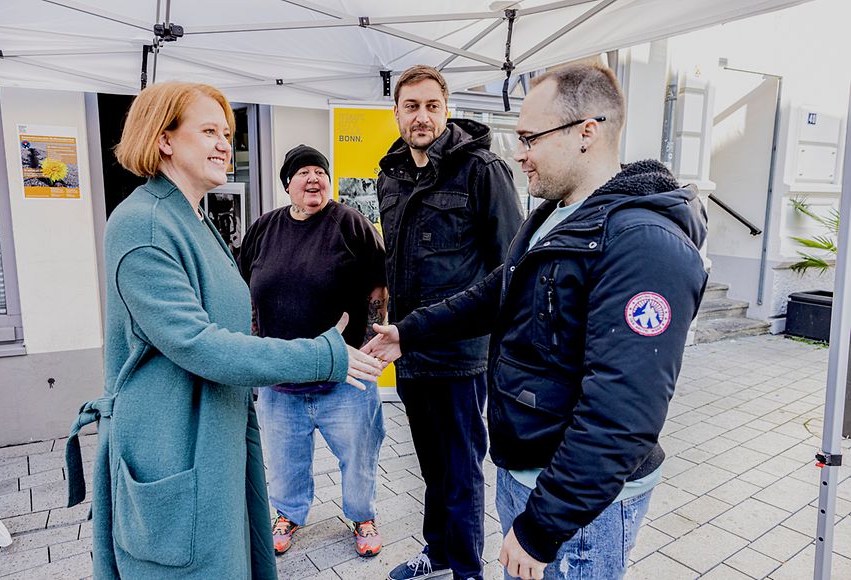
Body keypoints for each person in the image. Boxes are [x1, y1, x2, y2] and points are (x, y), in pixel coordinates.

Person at [365, 62, 708, 580]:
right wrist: (409, 332)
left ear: (586, 133)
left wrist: (543, 527)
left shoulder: (643, 245)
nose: (520, 153)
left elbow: (620, 415)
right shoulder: (552, 215)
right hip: (526, 474)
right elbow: (493, 291)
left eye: (530, 138)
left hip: (575, 509)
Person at [63, 82, 383, 579]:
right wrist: (322, 354)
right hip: (174, 444)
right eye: (208, 130)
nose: (223, 144)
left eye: (227, 132)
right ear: (163, 138)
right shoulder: (142, 223)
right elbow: (199, 343)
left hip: (218, 432)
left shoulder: (194, 217)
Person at [378, 65, 523, 580]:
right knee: (433, 468)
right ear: (396, 112)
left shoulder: (482, 169)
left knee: (461, 472)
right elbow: (398, 257)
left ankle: (466, 571)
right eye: (411, 106)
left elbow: (511, 267)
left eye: (431, 106)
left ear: (446, 108)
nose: (421, 116)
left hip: (462, 354)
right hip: (409, 348)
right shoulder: (390, 174)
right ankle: (437, 555)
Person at [238, 145, 387, 557]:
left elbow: (378, 284)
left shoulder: (349, 223)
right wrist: (253, 343)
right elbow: (246, 287)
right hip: (279, 378)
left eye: (319, 172)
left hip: (344, 376)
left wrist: (373, 340)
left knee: (359, 454)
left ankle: (362, 515)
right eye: (303, 172)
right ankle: (288, 513)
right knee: (285, 461)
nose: (313, 179)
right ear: (288, 183)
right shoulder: (264, 228)